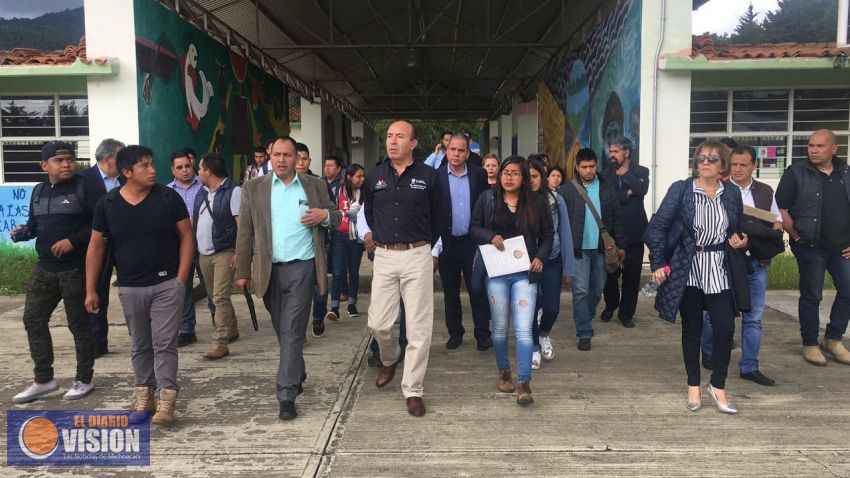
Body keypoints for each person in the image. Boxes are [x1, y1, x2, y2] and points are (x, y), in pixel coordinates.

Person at [85, 145, 194, 426]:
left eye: (152, 163)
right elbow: (96, 247)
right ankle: (143, 396)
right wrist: (91, 289)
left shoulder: (168, 198)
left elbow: (186, 237)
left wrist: (180, 280)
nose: (152, 170)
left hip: (166, 285)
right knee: (140, 344)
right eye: (144, 165)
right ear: (126, 172)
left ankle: (167, 399)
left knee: (164, 343)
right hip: (130, 287)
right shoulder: (108, 204)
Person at [234, 136, 340, 421]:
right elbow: (245, 231)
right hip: (268, 270)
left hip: (303, 268)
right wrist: (243, 271)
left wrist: (324, 216)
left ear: (298, 158)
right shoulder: (254, 188)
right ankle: (298, 370)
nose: (281, 160)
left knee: (293, 331)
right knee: (283, 331)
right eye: (276, 154)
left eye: (287, 155)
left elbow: (337, 216)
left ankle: (286, 394)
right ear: (270, 156)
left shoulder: (315, 185)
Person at [644, 140, 749, 414]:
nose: (705, 162)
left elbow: (735, 230)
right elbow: (656, 228)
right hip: (688, 269)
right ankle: (693, 384)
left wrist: (739, 240)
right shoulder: (682, 190)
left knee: (725, 328)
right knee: (692, 329)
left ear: (722, 165)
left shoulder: (731, 195)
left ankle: (718, 385)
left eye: (712, 159)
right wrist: (657, 261)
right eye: (701, 157)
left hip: (719, 269)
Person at [362, 120, 441, 417]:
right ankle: (390, 357)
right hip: (384, 255)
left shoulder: (429, 177)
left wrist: (429, 248)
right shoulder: (375, 176)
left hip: (417, 253)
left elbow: (440, 215)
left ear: (413, 143)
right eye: (389, 136)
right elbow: (369, 212)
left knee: (420, 328)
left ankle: (413, 389)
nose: (392, 141)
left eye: (400, 137)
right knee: (379, 323)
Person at [12, 141, 98, 404]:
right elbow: (36, 224)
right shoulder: (38, 191)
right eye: (59, 161)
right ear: (44, 165)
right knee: (33, 320)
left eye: (70, 160)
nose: (66, 165)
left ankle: (84, 379)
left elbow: (101, 226)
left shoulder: (85, 187)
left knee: (79, 325)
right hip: (44, 268)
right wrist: (25, 232)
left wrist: (73, 240)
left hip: (75, 269)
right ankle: (44, 379)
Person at [470, 156, 554, 405]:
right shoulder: (488, 198)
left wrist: (540, 257)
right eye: (506, 172)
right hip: (496, 272)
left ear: (524, 178)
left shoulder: (537, 202)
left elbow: (548, 235)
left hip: (525, 273)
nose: (508, 177)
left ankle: (524, 383)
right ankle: (504, 370)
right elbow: (473, 228)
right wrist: (490, 235)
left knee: (524, 330)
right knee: (499, 329)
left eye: (515, 173)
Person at [702, 145, 781, 386]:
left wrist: (752, 236)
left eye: (742, 165)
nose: (737, 169)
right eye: (733, 164)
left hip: (756, 262)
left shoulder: (766, 192)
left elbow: (777, 225)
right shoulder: (718, 190)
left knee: (753, 318)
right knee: (714, 314)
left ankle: (749, 366)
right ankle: (709, 352)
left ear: (754, 166)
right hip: (723, 263)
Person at [776, 129, 850, 366]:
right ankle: (810, 343)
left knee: (849, 290)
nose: (814, 150)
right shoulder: (796, 173)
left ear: (834, 149)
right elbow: (781, 208)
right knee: (812, 295)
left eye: (819, 146)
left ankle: (834, 339)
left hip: (842, 247)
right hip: (810, 246)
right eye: (811, 146)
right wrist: (795, 235)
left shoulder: (846, 173)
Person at [558, 148, 627, 351]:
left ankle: (585, 317)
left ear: (596, 166)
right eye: (584, 167)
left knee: (597, 290)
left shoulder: (607, 188)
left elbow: (617, 219)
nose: (588, 170)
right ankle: (584, 332)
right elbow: (560, 223)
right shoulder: (566, 191)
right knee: (580, 292)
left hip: (601, 249)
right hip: (578, 250)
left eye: (592, 166)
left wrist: (621, 245)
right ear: (577, 168)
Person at [432, 133, 492, 351]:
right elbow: (432, 214)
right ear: (446, 151)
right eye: (452, 150)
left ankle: (483, 334)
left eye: (461, 150)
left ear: (468, 153)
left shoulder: (479, 175)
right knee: (450, 292)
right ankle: (455, 333)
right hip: (447, 243)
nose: (456, 154)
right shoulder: (435, 177)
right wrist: (434, 249)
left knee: (477, 289)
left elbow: (488, 206)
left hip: (472, 243)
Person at [78, 138, 125, 358]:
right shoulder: (84, 179)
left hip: (126, 243)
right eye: (121, 156)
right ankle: (98, 342)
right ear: (107, 159)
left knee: (135, 291)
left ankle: (143, 338)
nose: (126, 161)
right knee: (97, 291)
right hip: (98, 243)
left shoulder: (128, 177)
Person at [527, 156, 575, 369]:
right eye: (527, 177)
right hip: (526, 262)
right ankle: (534, 346)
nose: (531, 181)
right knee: (530, 307)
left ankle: (544, 332)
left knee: (552, 307)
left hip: (553, 259)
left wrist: (569, 267)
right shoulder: (518, 200)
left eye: (535, 176)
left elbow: (564, 233)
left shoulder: (555, 199)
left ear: (543, 177)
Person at [194, 153, 241, 360]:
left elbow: (242, 225)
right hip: (203, 253)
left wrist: (240, 252)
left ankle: (220, 342)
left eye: (200, 169)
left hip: (224, 251)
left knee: (220, 297)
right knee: (215, 297)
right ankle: (232, 328)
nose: (198, 173)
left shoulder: (233, 191)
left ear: (208, 172)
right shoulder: (201, 192)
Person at [600, 137, 649, 329]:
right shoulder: (605, 175)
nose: (611, 155)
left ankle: (626, 313)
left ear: (626, 152)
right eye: (610, 152)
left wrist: (627, 176)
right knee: (610, 274)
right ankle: (611, 304)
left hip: (635, 232)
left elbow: (642, 190)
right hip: (612, 233)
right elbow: (607, 198)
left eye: (615, 152)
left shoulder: (641, 171)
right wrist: (626, 194)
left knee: (632, 276)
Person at [356, 201, 408, 367]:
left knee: (408, 306)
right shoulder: (378, 177)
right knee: (381, 308)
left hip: (413, 252)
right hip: (383, 251)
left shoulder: (423, 177)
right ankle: (380, 350)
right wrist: (366, 233)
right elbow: (363, 213)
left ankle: (406, 347)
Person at [167, 149, 205, 348]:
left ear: (193, 164)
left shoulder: (205, 186)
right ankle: (187, 329)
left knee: (215, 289)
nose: (184, 171)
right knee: (184, 288)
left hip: (207, 245)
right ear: (172, 170)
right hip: (182, 247)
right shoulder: (166, 192)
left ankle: (224, 327)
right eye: (179, 167)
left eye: (187, 166)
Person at [330, 164, 366, 318]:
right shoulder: (337, 191)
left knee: (353, 271)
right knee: (338, 272)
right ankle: (334, 306)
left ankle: (352, 304)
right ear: (349, 177)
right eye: (358, 176)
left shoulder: (364, 193)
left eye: (363, 176)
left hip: (356, 237)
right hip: (339, 235)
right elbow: (331, 209)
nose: (362, 179)